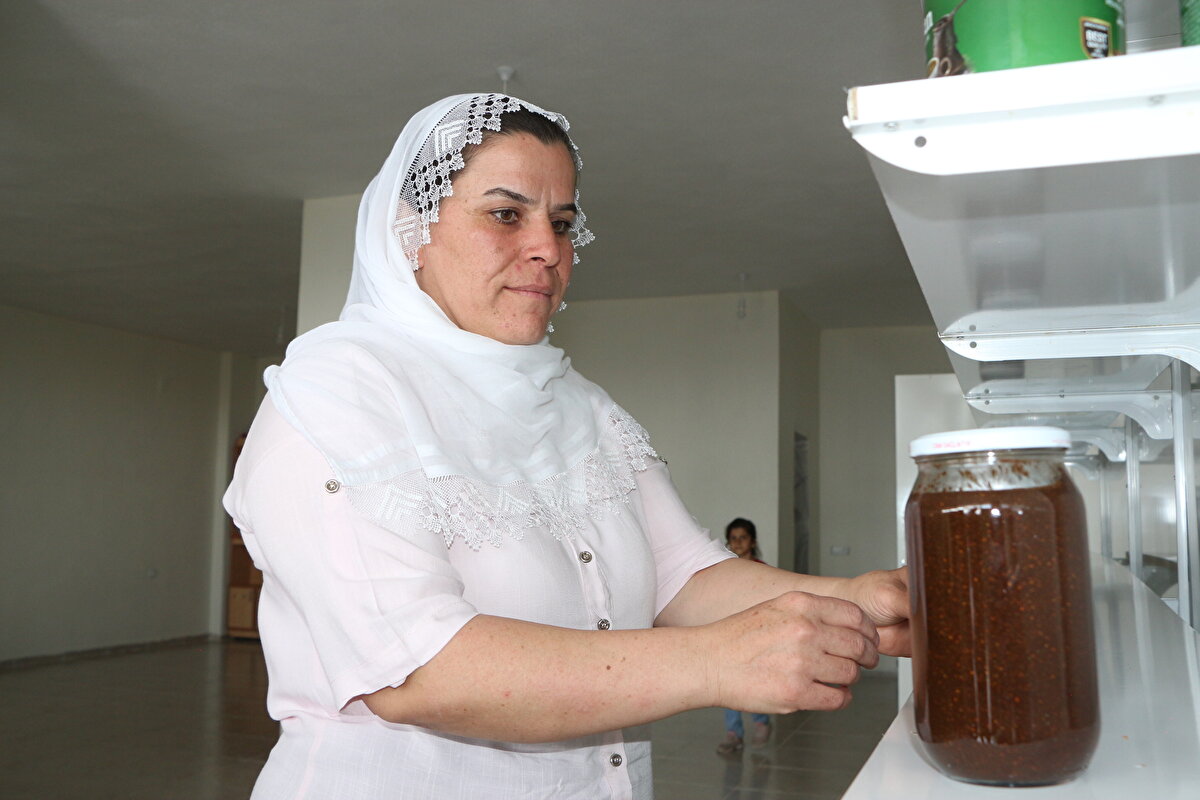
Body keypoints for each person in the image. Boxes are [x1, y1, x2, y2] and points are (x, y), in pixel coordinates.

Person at [224, 93, 911, 800]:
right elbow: (414, 669)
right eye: (505, 214)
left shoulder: (581, 406)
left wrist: (854, 600)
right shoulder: (334, 394)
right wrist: (714, 663)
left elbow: (681, 574)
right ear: (412, 229)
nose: (547, 250)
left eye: (561, 222)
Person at [716, 518, 773, 756]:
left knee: (756, 680)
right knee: (729, 684)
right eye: (733, 539)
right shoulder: (724, 570)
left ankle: (761, 721)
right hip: (730, 634)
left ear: (753, 541)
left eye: (743, 538)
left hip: (757, 635)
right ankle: (734, 733)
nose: (738, 543)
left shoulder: (762, 569)